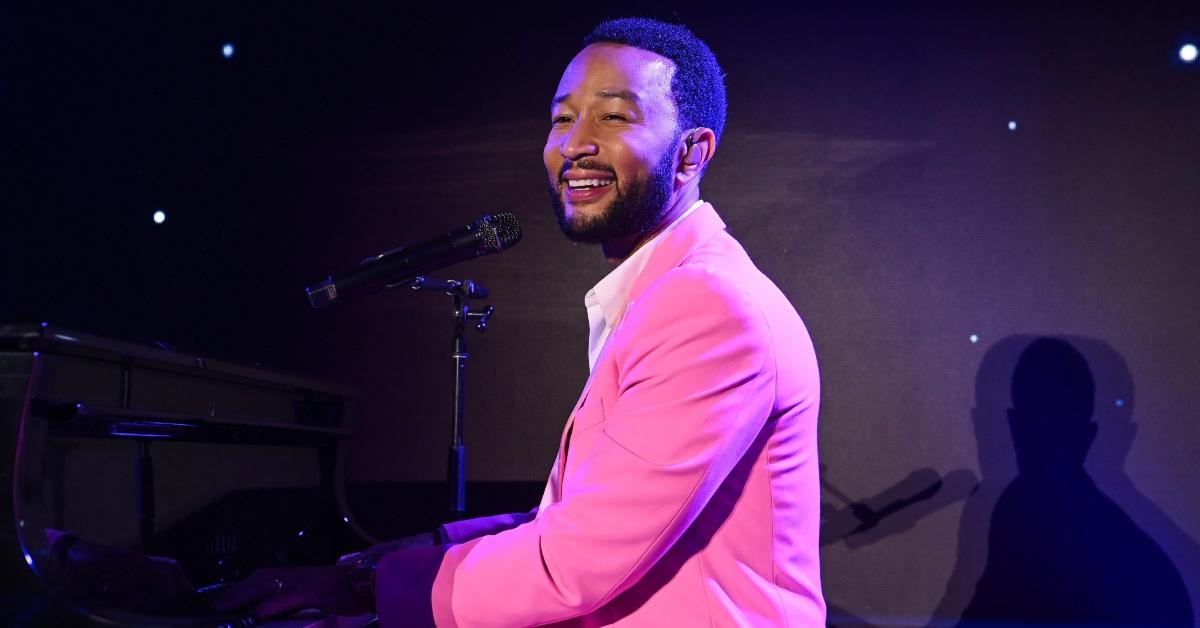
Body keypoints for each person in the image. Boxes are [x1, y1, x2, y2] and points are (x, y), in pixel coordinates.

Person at [216, 17, 823, 626]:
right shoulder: (667, 292)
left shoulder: (708, 308)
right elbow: (580, 519)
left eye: (612, 117)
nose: (574, 143)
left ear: (691, 152)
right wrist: (391, 561)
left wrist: (369, 591)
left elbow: (575, 562)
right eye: (563, 118)